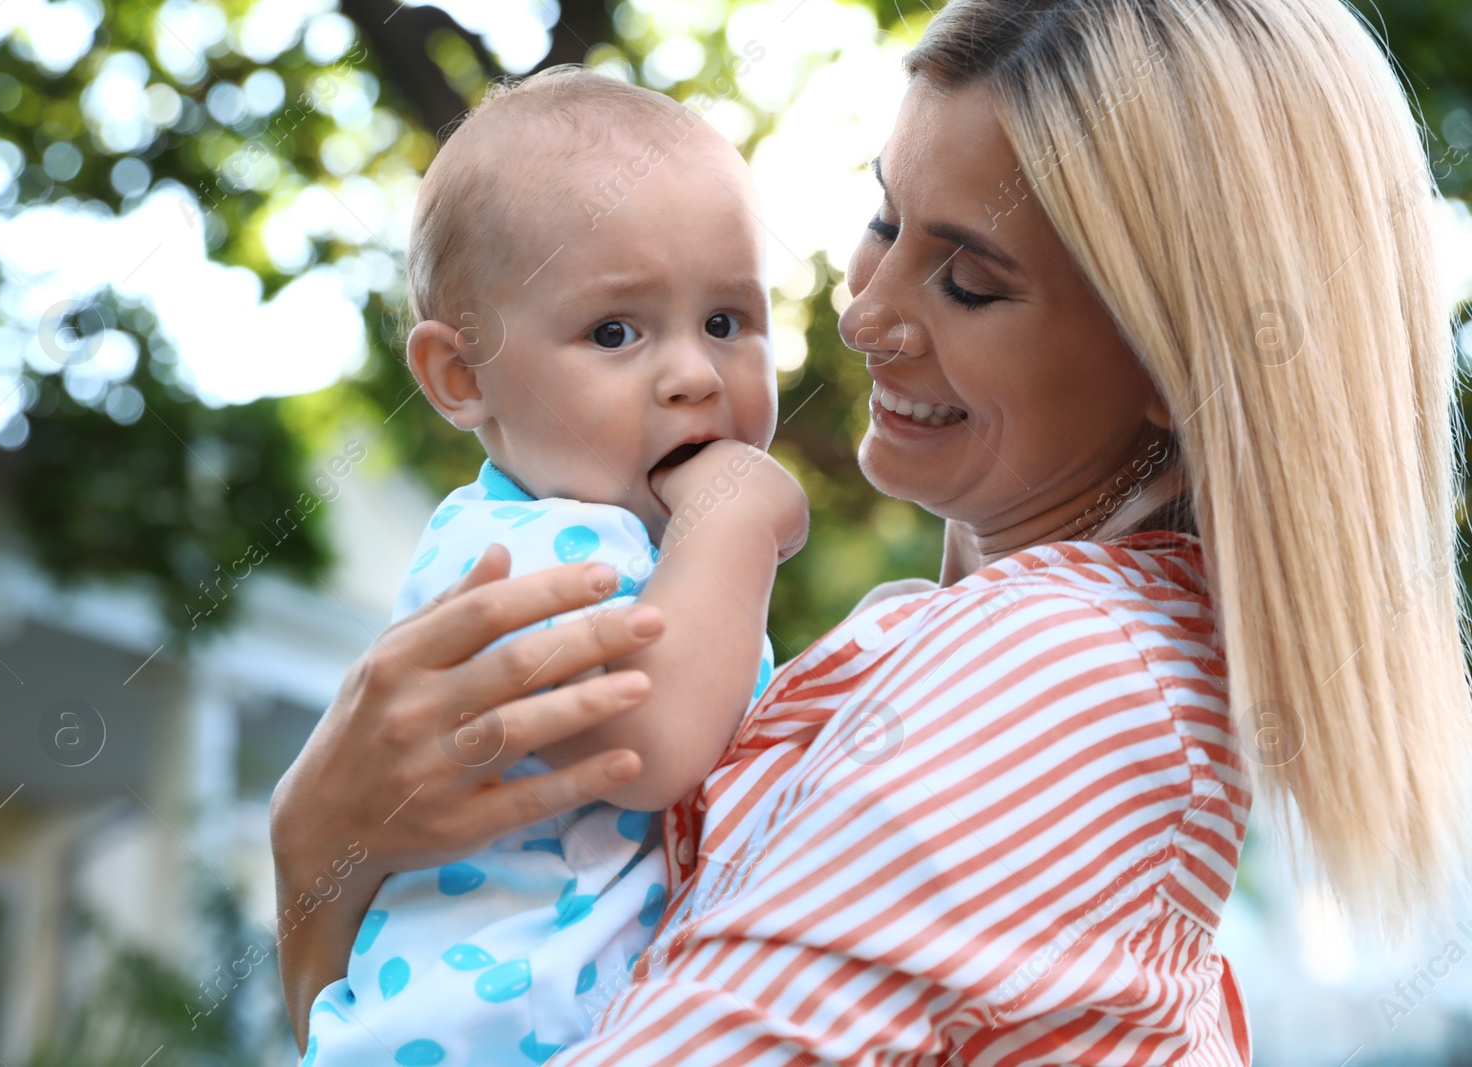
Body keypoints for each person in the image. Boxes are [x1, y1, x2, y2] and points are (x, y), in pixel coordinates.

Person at [272, 0, 1472, 1061]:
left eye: (969, 282)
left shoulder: (1060, 672)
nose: (865, 311)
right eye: (886, 221)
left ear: (1171, 358)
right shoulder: (971, 642)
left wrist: (314, 861)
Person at [300, 68, 810, 1067]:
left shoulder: (631, 545)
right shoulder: (529, 548)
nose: (694, 374)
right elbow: (658, 744)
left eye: (726, 321)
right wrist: (736, 520)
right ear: (463, 376)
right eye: (614, 331)